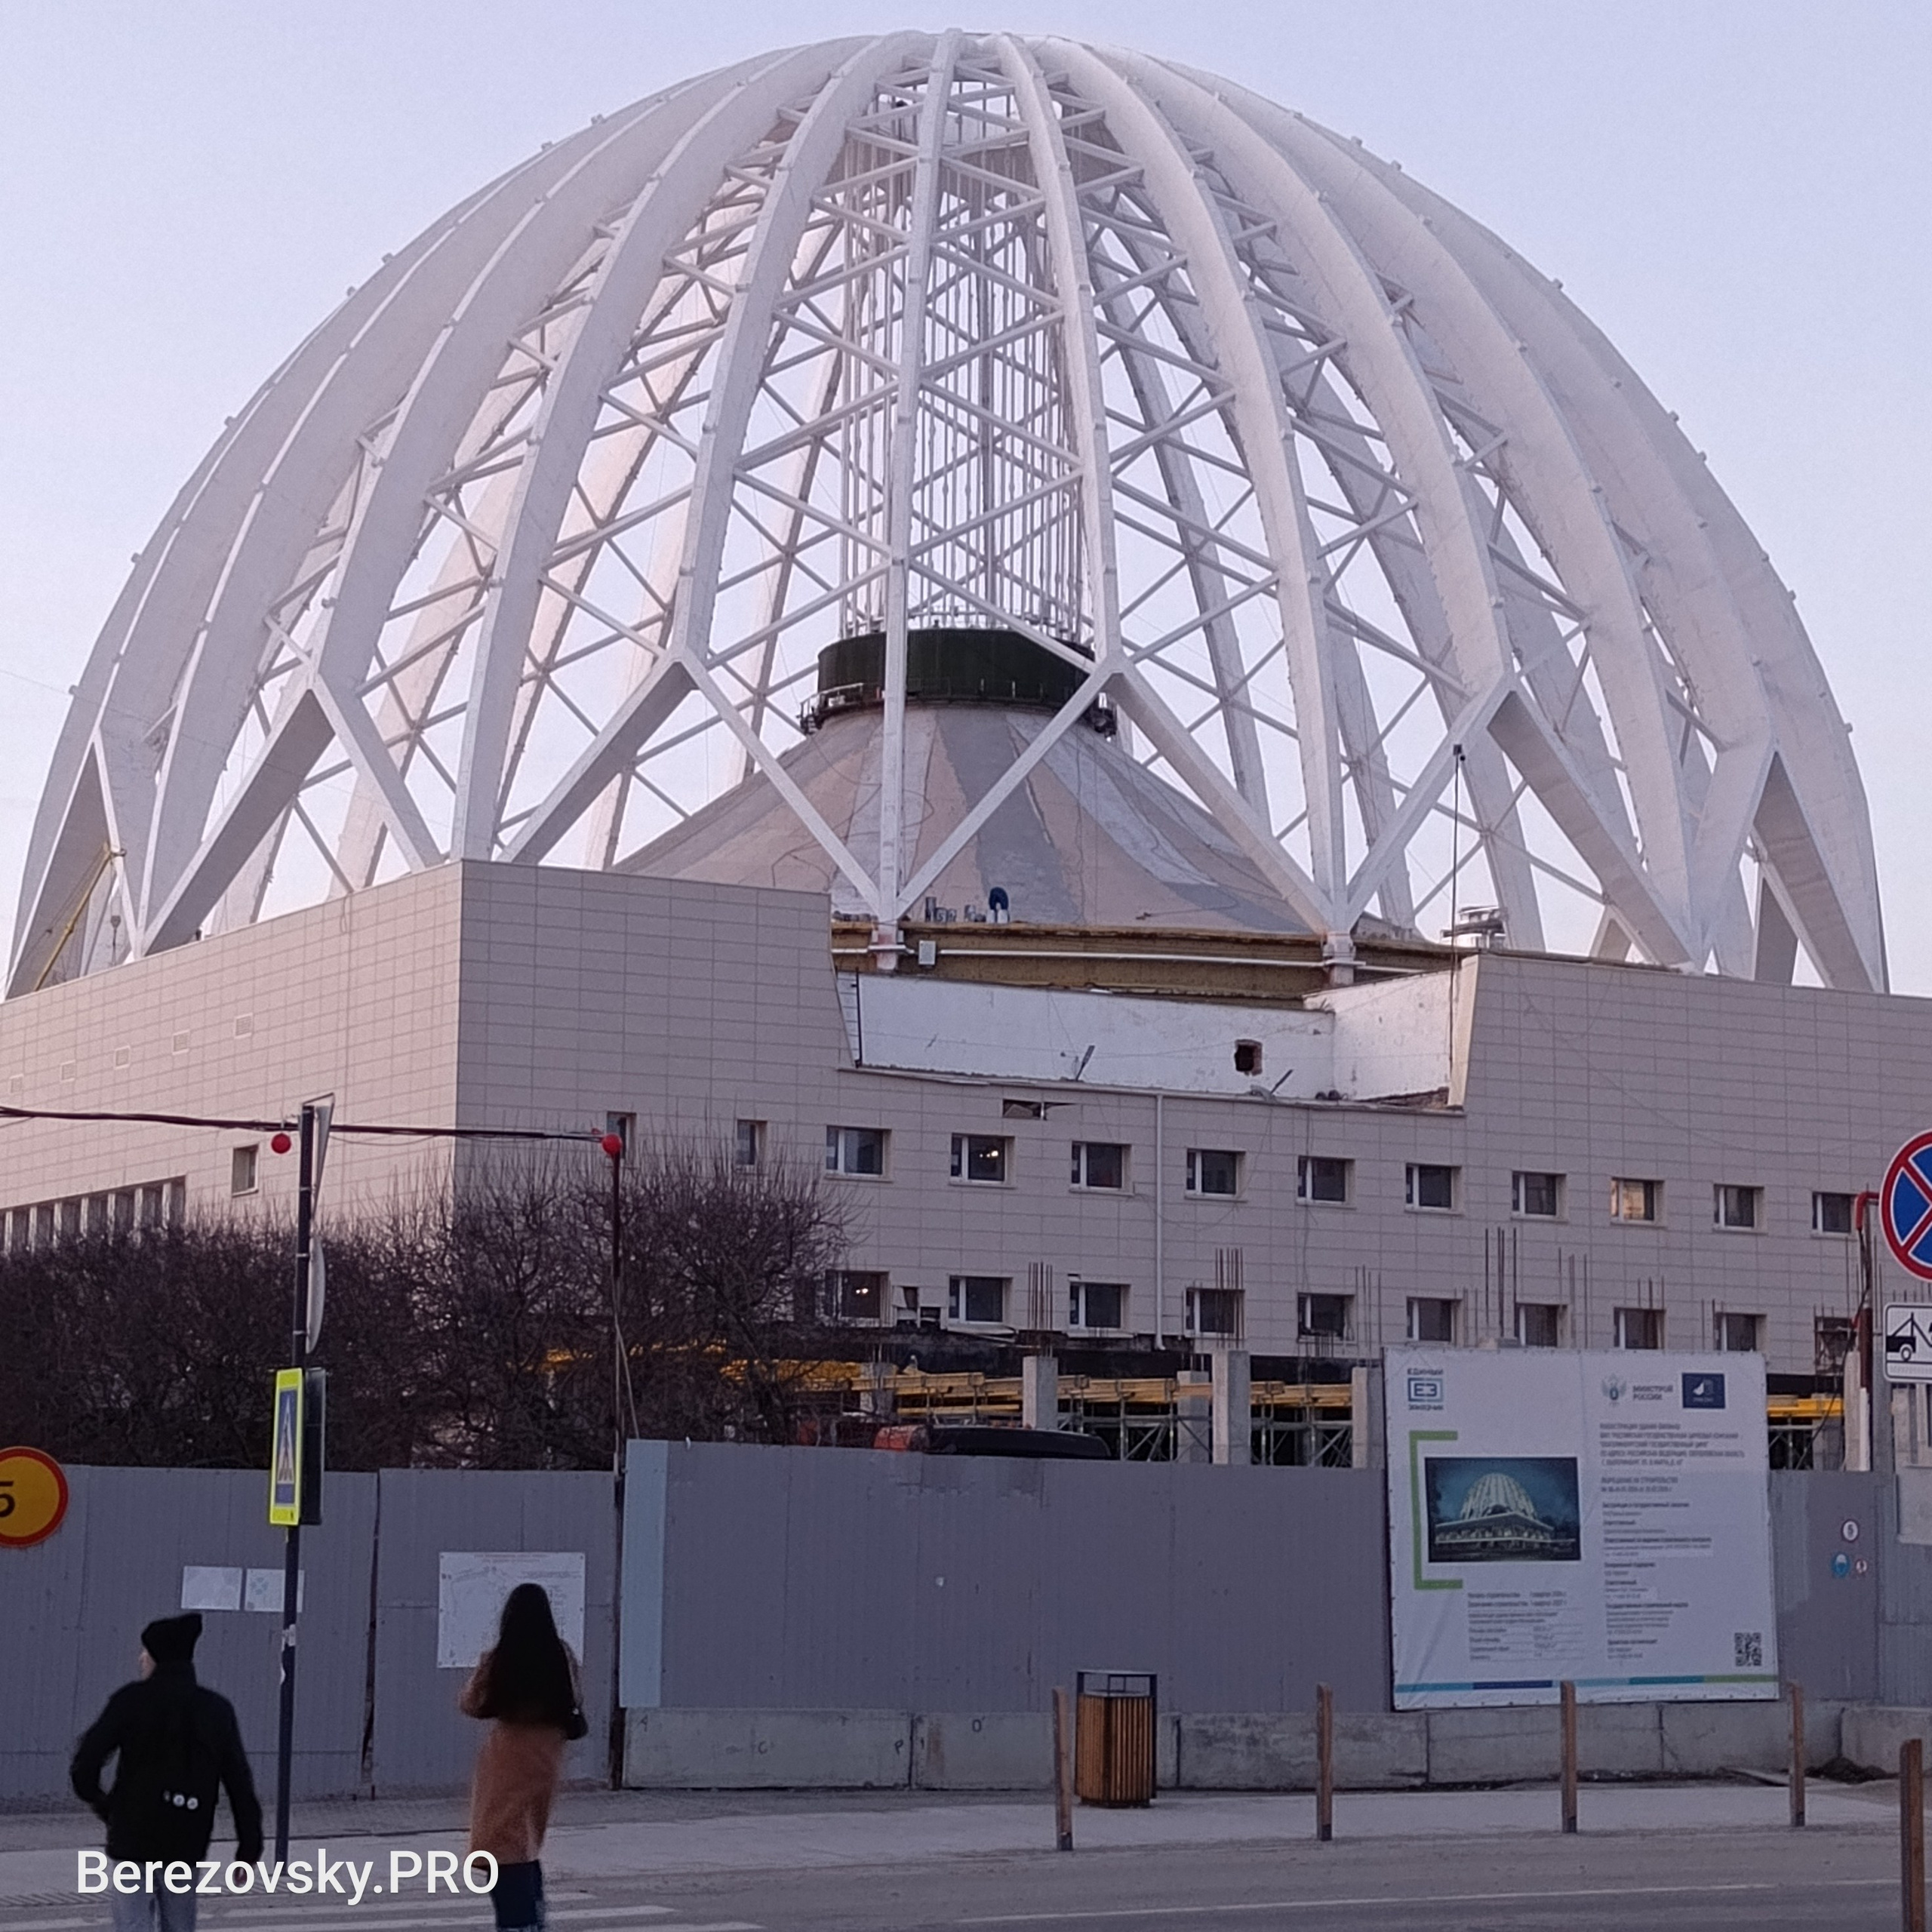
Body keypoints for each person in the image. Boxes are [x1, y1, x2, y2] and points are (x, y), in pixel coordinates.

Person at [70, 1612, 263, 1932]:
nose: (140, 1658)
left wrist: (107, 1807)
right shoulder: (215, 1709)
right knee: (179, 1923)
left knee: (133, 1923)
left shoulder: (130, 1701)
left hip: (132, 1835)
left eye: (145, 1651)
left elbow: (86, 1762)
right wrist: (248, 1848)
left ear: (158, 1656)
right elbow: (239, 1782)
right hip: (186, 1835)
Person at [460, 1583, 587, 1932]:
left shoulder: (500, 1657)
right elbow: (575, 1699)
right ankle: (531, 1912)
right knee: (526, 1836)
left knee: (500, 1835)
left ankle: (518, 1919)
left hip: (506, 1752)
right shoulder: (561, 1655)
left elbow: (471, 1703)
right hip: (547, 1751)